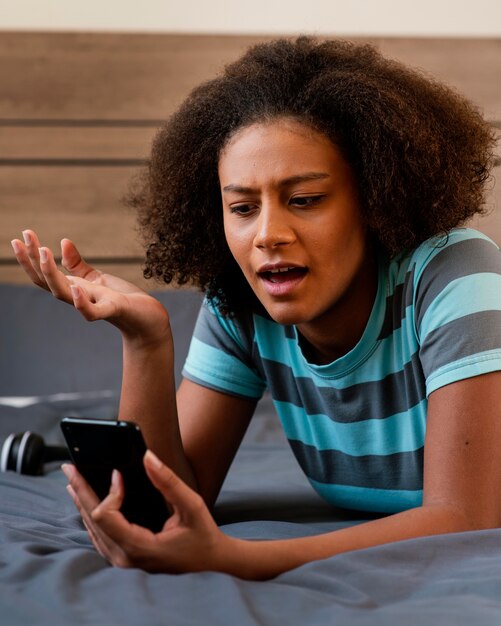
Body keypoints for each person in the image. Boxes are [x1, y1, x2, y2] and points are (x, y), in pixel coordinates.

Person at [11, 37, 501, 580]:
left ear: (375, 198)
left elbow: (467, 517)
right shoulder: (242, 304)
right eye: (242, 207)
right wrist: (146, 339)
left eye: (306, 200)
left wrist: (236, 558)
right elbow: (176, 501)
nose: (268, 234)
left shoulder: (457, 275)